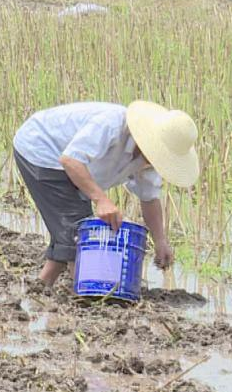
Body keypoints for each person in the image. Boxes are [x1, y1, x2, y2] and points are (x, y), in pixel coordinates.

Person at [11, 101, 199, 287]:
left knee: (70, 231)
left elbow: (149, 197)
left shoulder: (149, 162)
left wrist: (160, 241)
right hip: (40, 148)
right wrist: (101, 200)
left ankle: (41, 287)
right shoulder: (111, 125)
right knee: (81, 233)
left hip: (69, 165)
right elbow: (70, 160)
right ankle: (86, 295)